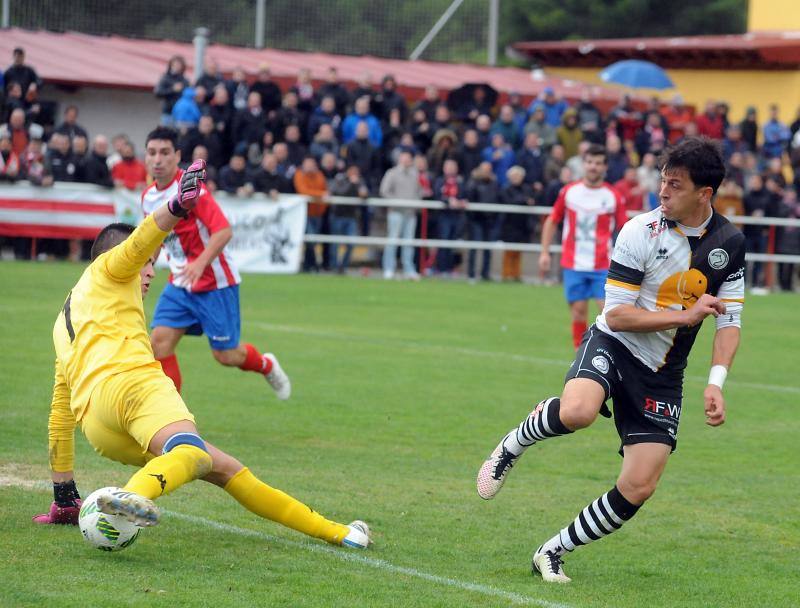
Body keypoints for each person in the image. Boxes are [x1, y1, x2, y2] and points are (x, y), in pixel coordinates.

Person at [32, 160, 371, 551]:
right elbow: (140, 240)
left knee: (223, 467)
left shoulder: (65, 319)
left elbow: (60, 412)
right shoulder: (110, 268)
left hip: (98, 425)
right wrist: (176, 205)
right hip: (133, 387)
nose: (151, 272)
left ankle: (338, 532)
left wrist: (63, 497)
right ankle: (125, 499)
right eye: (147, 264)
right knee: (191, 452)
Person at [477, 137, 745, 583]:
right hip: (613, 344)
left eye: (675, 185)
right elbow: (617, 316)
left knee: (640, 485)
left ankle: (552, 551)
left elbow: (730, 320)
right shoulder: (640, 230)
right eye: (662, 181)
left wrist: (716, 381)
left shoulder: (730, 243)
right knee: (578, 411)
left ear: (705, 194)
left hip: (662, 373)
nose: (662, 192)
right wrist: (685, 314)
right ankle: (514, 444)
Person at [140, 127, 290, 400]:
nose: (158, 159)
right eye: (152, 153)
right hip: (180, 283)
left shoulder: (190, 188)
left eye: (164, 153)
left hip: (215, 283)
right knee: (158, 344)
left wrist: (199, 264)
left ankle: (266, 365)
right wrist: (147, 265)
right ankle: (171, 417)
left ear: (177, 155)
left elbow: (223, 231)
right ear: (146, 157)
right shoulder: (148, 197)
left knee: (226, 355)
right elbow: (157, 237)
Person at [539, 144, 628, 349]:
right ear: (583, 164)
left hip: (603, 264)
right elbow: (552, 220)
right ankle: (580, 355)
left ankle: (612, 354)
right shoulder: (569, 192)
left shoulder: (612, 195)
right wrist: (544, 252)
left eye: (598, 163)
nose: (593, 167)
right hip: (573, 262)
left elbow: (625, 229)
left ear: (605, 167)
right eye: (589, 162)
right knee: (578, 312)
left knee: (609, 314)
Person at [380, 150, 423, 280]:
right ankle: (389, 268)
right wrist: (396, 202)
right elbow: (384, 191)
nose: (406, 161)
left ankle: (409, 269)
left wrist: (415, 203)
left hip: (410, 213)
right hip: (395, 212)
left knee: (409, 242)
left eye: (408, 158)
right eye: (404, 158)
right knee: (392, 240)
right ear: (399, 159)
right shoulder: (392, 173)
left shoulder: (415, 174)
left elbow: (419, 192)